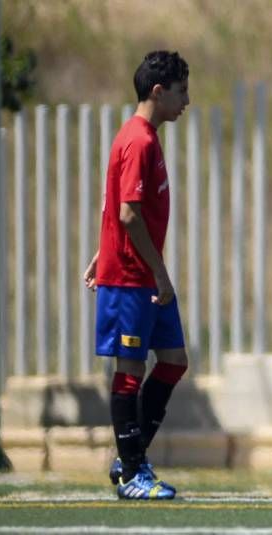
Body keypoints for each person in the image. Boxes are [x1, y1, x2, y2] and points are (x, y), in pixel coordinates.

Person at [83, 50, 190, 500]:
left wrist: (99, 249)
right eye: (182, 91)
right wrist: (159, 273)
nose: (188, 100)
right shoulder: (139, 140)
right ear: (158, 91)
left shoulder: (145, 136)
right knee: (129, 370)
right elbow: (128, 214)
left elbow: (120, 205)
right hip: (133, 278)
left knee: (173, 361)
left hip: (141, 274)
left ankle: (130, 456)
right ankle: (132, 474)